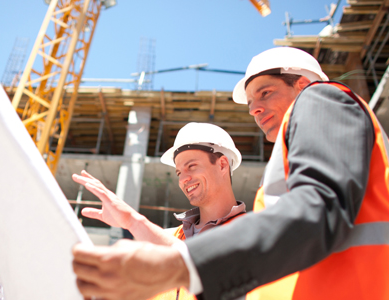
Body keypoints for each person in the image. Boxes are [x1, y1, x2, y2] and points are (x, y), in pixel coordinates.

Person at [72, 47, 389, 300]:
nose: (254, 109)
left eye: (265, 93)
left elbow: (318, 206)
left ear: (303, 84)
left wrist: (178, 266)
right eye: (251, 102)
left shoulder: (323, 98)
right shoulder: (285, 161)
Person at [0, 123, 247, 300]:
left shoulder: (253, 233)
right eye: (179, 172)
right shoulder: (169, 236)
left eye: (191, 166)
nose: (184, 178)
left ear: (222, 163)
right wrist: (19, 284)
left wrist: (132, 220)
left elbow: (216, 272)